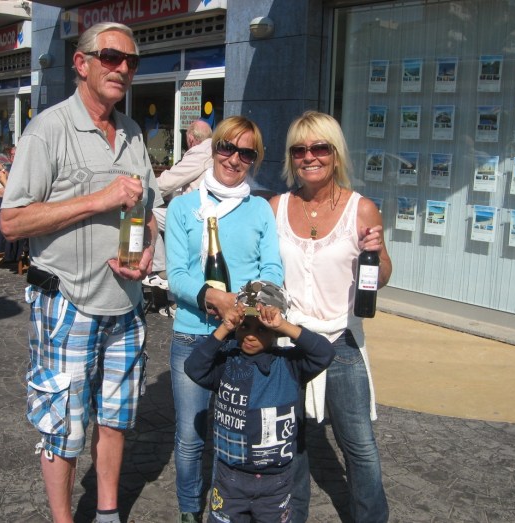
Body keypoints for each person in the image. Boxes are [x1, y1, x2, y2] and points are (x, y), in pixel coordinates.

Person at [0, 22, 162, 523]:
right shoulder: (48, 129)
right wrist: (99, 199)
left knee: (115, 420)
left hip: (125, 308)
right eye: (111, 57)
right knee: (62, 427)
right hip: (67, 303)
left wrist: (148, 249)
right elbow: (12, 221)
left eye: (131, 61)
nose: (122, 68)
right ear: (81, 62)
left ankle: (108, 513)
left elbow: (148, 210)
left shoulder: (132, 131)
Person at [269, 110, 393, 523]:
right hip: (288, 340)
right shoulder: (276, 206)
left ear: (335, 153)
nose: (309, 157)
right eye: (299, 150)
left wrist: (376, 252)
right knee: (293, 440)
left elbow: (382, 275)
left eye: (319, 147)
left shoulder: (362, 209)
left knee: (359, 445)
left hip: (341, 341)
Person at [165, 115, 284, 523]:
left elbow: (272, 267)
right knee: (190, 434)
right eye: (227, 148)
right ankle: (188, 510)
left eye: (245, 153)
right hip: (193, 336)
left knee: (234, 432)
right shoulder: (183, 207)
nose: (234, 159)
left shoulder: (260, 209)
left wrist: (251, 301)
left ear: (255, 159)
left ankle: (225, 507)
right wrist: (214, 297)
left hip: (242, 338)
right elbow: (177, 274)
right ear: (212, 149)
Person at [184, 280, 335, 523]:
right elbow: (193, 368)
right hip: (229, 477)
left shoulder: (290, 364)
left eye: (262, 329)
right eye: (245, 326)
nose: (251, 336)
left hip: (276, 481)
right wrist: (223, 329)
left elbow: (325, 353)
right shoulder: (226, 361)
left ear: (275, 333)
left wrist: (284, 325)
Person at [144, 119, 213, 297]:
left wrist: (143, 191)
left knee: (146, 213)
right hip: (206, 212)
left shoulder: (200, 152)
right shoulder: (213, 150)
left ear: (190, 139)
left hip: (194, 214)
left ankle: (161, 269)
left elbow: (169, 181)